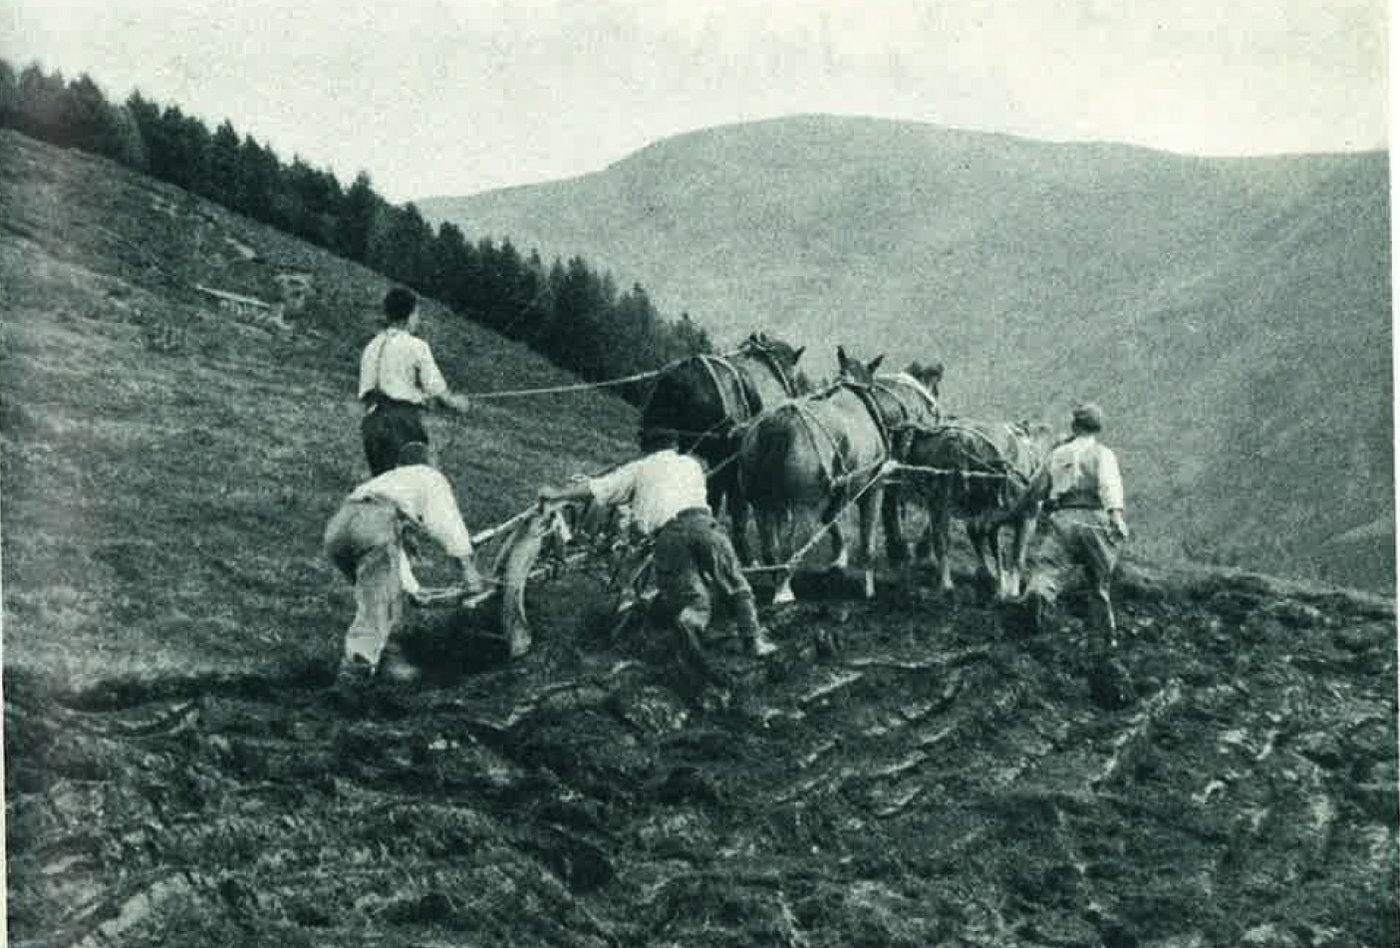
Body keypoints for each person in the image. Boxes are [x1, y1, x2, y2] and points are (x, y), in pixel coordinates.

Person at [537, 431, 779, 661]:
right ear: (674, 446)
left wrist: (558, 493)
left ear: (646, 448)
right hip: (704, 525)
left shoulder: (638, 468)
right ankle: (754, 641)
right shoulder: (691, 465)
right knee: (735, 582)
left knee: (691, 597)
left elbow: (596, 489)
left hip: (668, 537)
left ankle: (690, 633)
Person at [323, 442, 485, 683]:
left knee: (379, 598)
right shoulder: (429, 476)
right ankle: (351, 682)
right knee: (378, 608)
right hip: (375, 524)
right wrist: (468, 570)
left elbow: (388, 552)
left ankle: (384, 659)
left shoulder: (388, 481)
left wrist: (412, 589)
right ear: (430, 463)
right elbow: (446, 523)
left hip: (338, 527)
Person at [1008, 402, 1130, 648]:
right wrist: (1116, 518)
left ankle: (1037, 599)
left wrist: (1016, 510)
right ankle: (1103, 640)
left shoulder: (1057, 454)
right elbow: (1109, 487)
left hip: (1063, 519)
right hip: (1095, 520)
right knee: (1099, 582)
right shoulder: (1103, 454)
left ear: (1074, 426)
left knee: (1047, 570)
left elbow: (1036, 488)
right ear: (1098, 428)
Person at [358, 287, 471, 475]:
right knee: (416, 483)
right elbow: (436, 388)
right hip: (403, 425)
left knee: (383, 483)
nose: (417, 319)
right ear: (410, 315)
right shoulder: (417, 346)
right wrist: (457, 403)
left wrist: (418, 397)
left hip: (371, 424)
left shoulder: (371, 346)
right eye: (417, 314)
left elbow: (372, 390)